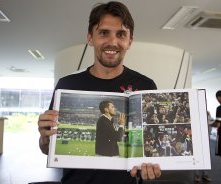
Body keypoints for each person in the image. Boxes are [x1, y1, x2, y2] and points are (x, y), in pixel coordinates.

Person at [38, 1, 161, 184]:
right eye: (104, 33)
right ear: (90, 38)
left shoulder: (146, 85)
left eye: (121, 34)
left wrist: (153, 163)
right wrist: (44, 137)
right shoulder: (67, 84)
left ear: (129, 41)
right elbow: (47, 149)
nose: (112, 42)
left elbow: (152, 146)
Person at [193, 111, 213, 182]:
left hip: (206, 140)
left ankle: (205, 174)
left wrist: (209, 115)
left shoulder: (209, 116)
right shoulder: (196, 117)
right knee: (197, 156)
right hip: (197, 140)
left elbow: (211, 126)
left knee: (206, 157)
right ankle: (197, 175)